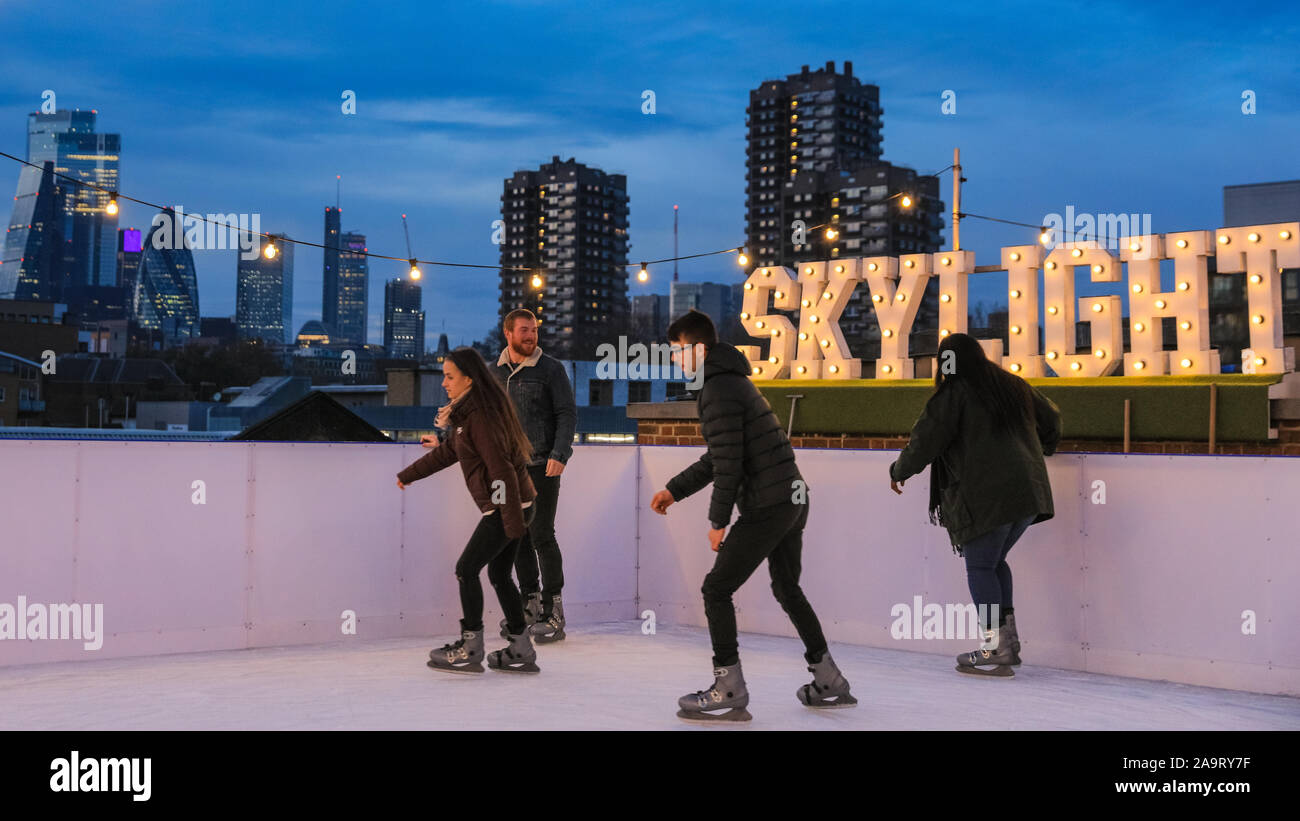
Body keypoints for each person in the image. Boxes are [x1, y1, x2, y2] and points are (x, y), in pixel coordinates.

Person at [650, 309, 855, 722]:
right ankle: (828, 678)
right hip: (792, 497)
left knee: (715, 589)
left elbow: (729, 463)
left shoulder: (717, 389)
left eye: (678, 351)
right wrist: (675, 489)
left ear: (698, 349)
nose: (674, 359)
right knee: (787, 588)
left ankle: (728, 687)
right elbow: (721, 456)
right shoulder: (734, 381)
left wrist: (717, 522)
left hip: (769, 504)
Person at [888, 332, 1061, 678]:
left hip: (986, 494)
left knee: (981, 567)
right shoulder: (1011, 384)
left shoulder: (953, 394)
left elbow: (926, 439)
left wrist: (899, 470)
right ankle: (1005, 644)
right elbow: (1052, 417)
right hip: (1028, 493)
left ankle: (997, 647)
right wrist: (1042, 449)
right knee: (994, 563)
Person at [397, 347, 541, 674]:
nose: (444, 383)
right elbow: (450, 451)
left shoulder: (480, 417)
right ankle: (520, 647)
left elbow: (501, 470)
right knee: (499, 573)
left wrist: (512, 523)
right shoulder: (470, 415)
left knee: (466, 569)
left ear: (469, 379)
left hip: (508, 506)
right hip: (517, 504)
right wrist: (409, 475)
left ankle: (471, 647)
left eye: (449, 377)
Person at [492, 309, 577, 643]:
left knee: (541, 534)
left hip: (542, 464)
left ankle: (553, 611)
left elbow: (567, 414)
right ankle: (528, 603)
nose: (531, 336)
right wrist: (441, 438)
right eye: (524, 330)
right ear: (508, 333)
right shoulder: (494, 372)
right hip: (509, 468)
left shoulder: (551, 369)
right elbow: (478, 417)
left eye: (535, 330)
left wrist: (560, 454)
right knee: (518, 537)